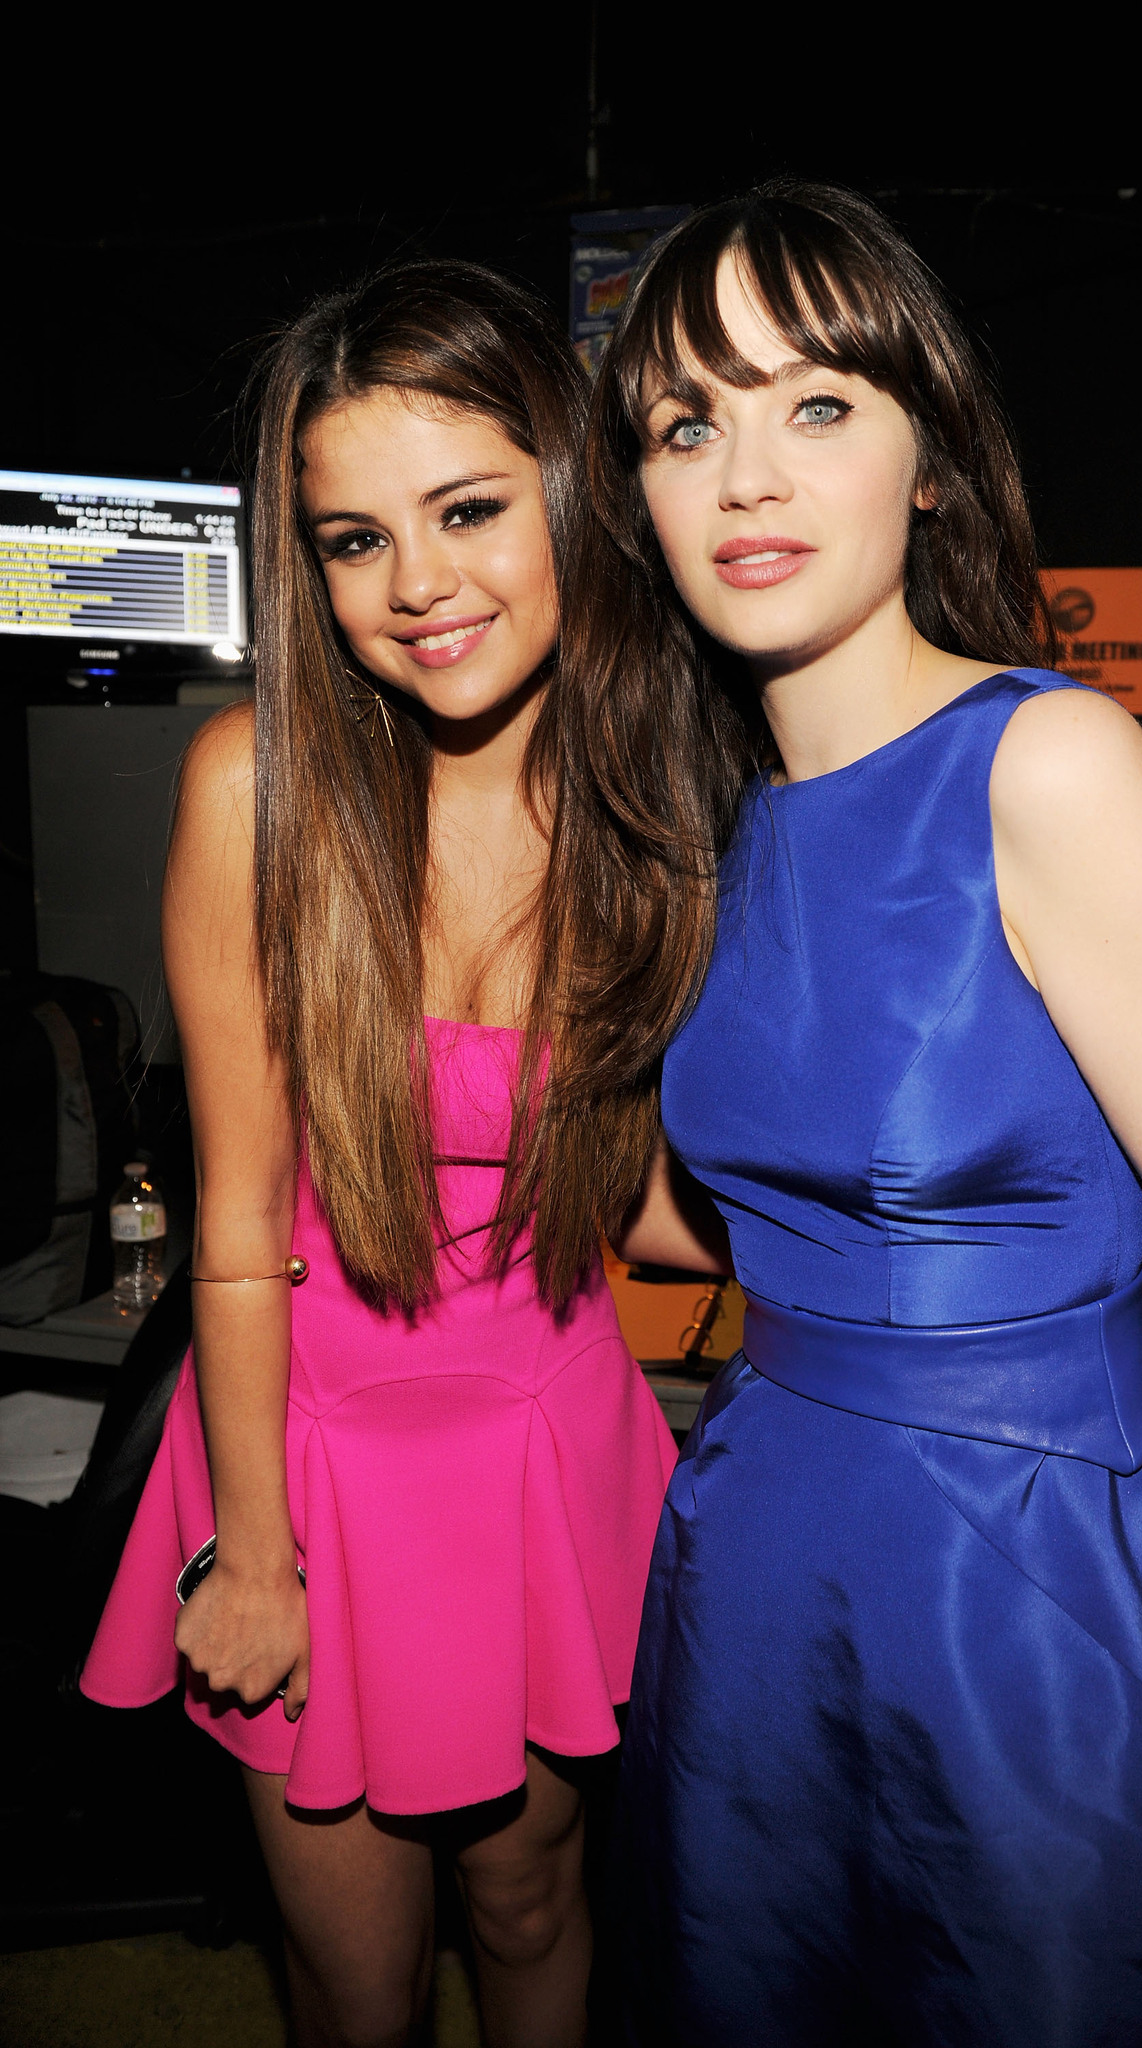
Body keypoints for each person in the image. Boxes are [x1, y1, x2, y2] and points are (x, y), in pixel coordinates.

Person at [589, 181, 1142, 2041]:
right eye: (689, 424)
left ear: (927, 460)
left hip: (1030, 1584)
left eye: (817, 406)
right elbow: (692, 1225)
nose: (748, 474)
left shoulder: (1049, 763)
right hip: (762, 1551)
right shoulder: (705, 830)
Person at [81, 261, 677, 2048]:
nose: (416, 585)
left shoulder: (662, 800)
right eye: (351, 540)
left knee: (532, 1904)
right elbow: (240, 1222)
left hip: (542, 1434)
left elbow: (656, 1202)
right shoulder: (252, 785)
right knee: (349, 1980)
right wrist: (252, 1555)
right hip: (303, 1450)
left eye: (470, 511)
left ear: (570, 494)